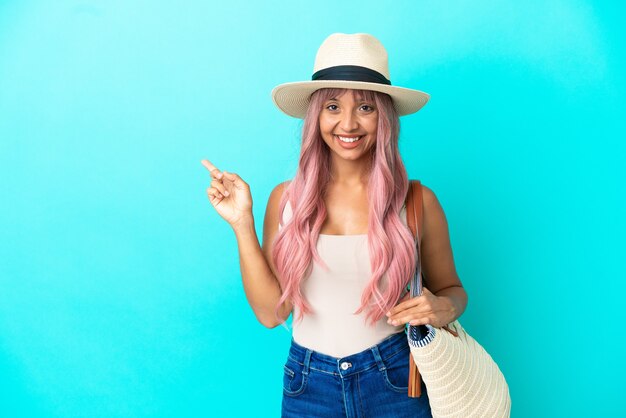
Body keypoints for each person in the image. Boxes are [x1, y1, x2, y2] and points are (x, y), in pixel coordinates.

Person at [202, 33, 467, 418]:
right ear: (316, 116)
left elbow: (453, 290)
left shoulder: (416, 202)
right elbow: (270, 314)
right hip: (309, 382)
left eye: (365, 107)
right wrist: (241, 223)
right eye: (332, 106)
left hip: (395, 379)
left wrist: (442, 307)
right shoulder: (286, 200)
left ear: (385, 117)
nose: (348, 123)